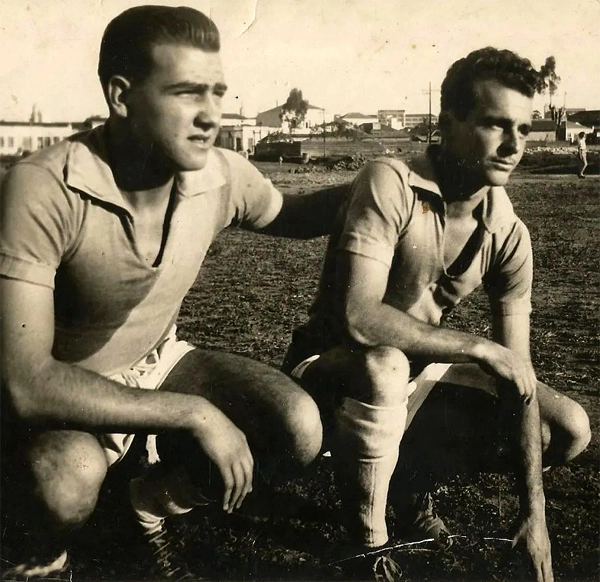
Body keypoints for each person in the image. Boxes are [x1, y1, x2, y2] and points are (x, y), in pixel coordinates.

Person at [0, 6, 346, 580]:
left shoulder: (220, 174)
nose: (211, 116)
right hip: (55, 394)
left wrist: (388, 180)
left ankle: (147, 501)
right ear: (121, 96)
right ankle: (35, 558)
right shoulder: (43, 188)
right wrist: (194, 413)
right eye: (187, 93)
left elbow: (295, 212)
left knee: (299, 428)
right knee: (62, 481)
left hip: (156, 363)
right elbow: (25, 383)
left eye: (217, 92)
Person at [283, 47, 591, 582]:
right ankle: (367, 541)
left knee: (567, 428)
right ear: (447, 124)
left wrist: (533, 514)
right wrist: (476, 347)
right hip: (326, 374)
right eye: (495, 124)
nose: (514, 144)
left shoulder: (509, 233)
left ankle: (407, 481)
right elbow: (360, 317)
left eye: (524, 127)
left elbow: (517, 373)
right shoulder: (390, 181)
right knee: (384, 365)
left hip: (412, 375)